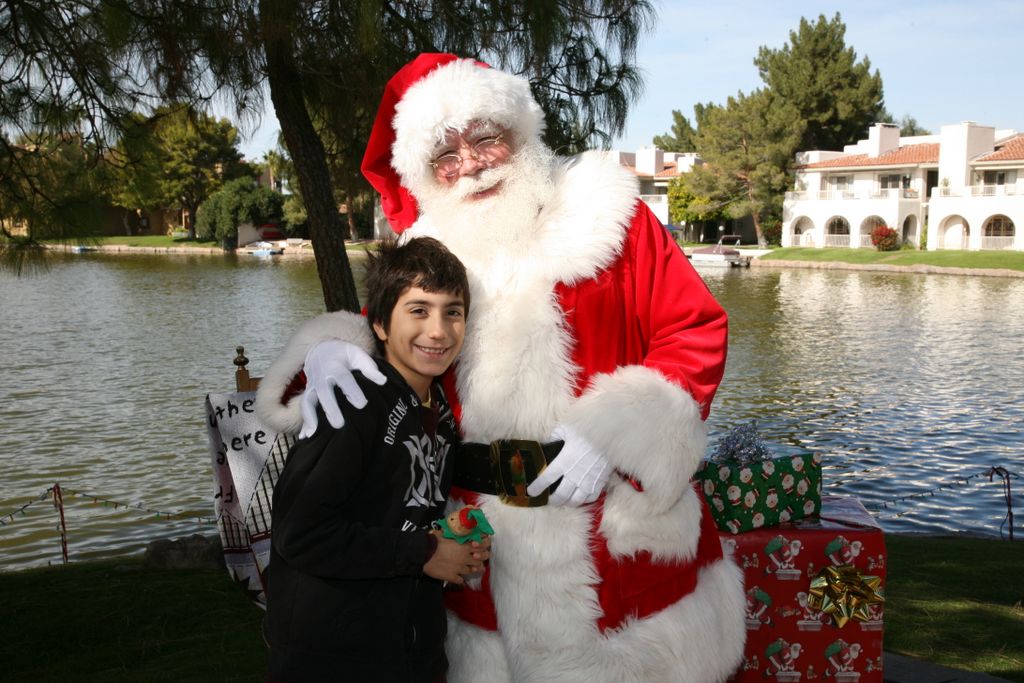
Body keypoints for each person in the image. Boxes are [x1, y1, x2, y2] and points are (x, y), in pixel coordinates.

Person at [257, 54, 745, 682]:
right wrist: (331, 349)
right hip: (487, 553)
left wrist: (617, 433)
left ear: (522, 133)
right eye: (446, 157)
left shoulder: (609, 218)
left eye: (486, 137)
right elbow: (387, 343)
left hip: (614, 537)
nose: (472, 165)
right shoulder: (426, 257)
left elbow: (693, 328)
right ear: (426, 177)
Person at [263, 237, 489, 683]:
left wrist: (450, 547)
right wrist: (424, 552)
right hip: (334, 656)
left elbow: (398, 509)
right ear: (381, 324)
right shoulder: (350, 402)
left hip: (406, 651)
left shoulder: (438, 412)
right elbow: (301, 533)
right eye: (419, 310)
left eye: (453, 311)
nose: (439, 330)